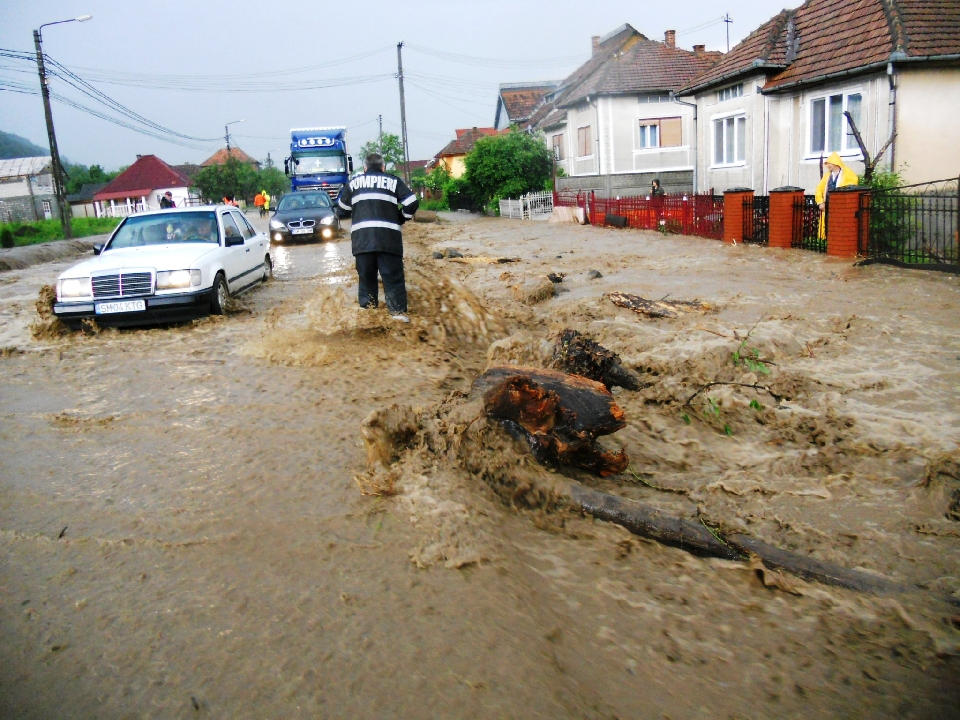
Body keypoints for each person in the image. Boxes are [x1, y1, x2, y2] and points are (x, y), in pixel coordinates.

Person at [337, 152, 419, 323]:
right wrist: (400, 218)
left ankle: (369, 322)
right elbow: (412, 202)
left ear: (365, 168)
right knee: (393, 281)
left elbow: (342, 209)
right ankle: (398, 320)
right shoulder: (393, 181)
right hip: (389, 240)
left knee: (366, 280)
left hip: (362, 242)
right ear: (383, 167)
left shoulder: (353, 183)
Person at [814, 152, 858, 238]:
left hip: (841, 207)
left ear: (836, 163)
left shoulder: (848, 173)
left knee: (839, 225)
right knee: (827, 224)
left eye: (830, 163)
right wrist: (820, 202)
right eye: (827, 163)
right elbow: (819, 188)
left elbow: (852, 186)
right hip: (828, 206)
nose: (828, 165)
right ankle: (826, 241)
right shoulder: (827, 176)